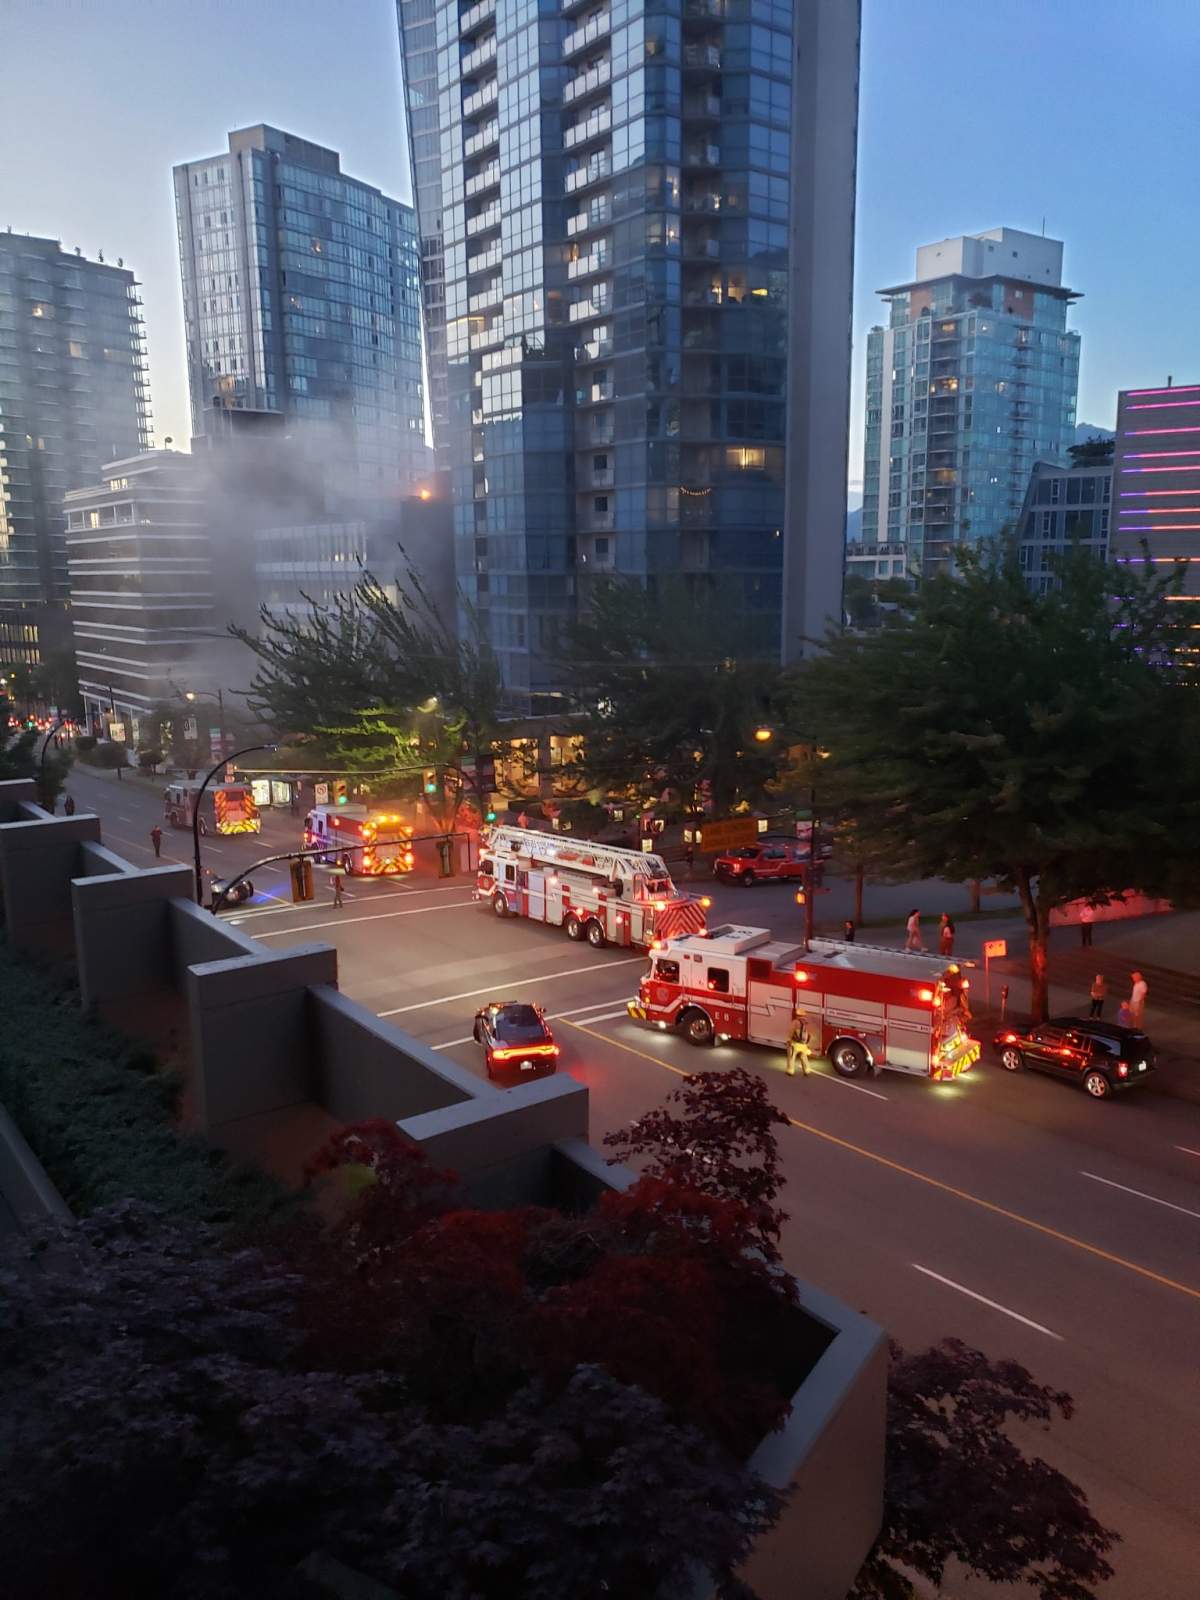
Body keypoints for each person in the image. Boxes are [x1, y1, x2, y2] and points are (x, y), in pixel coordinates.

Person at [786, 1009, 813, 1077]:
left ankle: (790, 1070)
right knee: (803, 1057)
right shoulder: (806, 1023)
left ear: (797, 1015)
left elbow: (791, 1031)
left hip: (795, 1044)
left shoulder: (795, 1022)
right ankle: (807, 1070)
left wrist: (789, 1039)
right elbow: (809, 1034)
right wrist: (807, 1043)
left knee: (791, 1056)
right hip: (803, 1044)